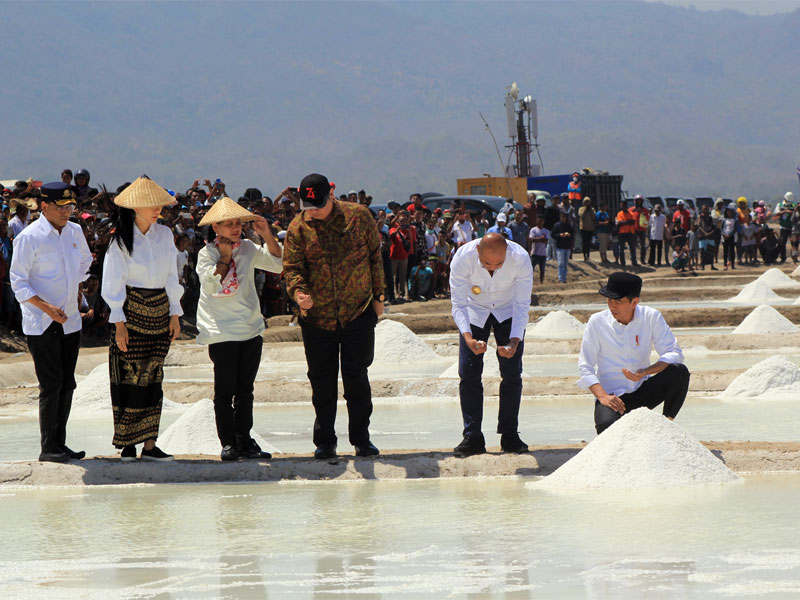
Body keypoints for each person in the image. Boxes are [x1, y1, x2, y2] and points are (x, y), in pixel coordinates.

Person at [283, 173, 384, 460]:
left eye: (319, 204)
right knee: (322, 382)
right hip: (317, 317)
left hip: (358, 312)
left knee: (357, 380)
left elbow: (375, 257)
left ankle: (362, 439)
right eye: (308, 205)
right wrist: (299, 294)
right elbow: (291, 268)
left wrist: (379, 297)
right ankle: (325, 441)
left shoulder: (359, 217)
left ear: (332, 192)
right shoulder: (298, 227)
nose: (313, 210)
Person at [101, 176, 184, 462]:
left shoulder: (165, 234)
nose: (156, 208)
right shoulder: (120, 239)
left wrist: (175, 313)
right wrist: (119, 324)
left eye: (158, 203)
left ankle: (150, 445)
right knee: (128, 377)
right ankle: (128, 445)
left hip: (160, 313)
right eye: (150, 204)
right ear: (135, 207)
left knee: (153, 378)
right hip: (131, 313)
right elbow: (112, 283)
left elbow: (172, 275)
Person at [195, 197, 283, 461]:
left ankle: (245, 440)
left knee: (246, 390)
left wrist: (267, 235)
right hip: (221, 331)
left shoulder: (247, 247)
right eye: (228, 224)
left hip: (249, 328)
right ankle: (228, 443)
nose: (235, 228)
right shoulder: (206, 254)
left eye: (238, 223)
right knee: (224, 391)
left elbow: (277, 264)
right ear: (216, 228)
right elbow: (211, 286)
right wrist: (224, 256)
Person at [9, 182, 92, 462]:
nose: (66, 211)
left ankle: (60, 442)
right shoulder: (30, 237)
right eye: (60, 207)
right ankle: (48, 447)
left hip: (69, 319)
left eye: (70, 206)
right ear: (44, 206)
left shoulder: (75, 231)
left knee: (68, 383)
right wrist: (45, 306)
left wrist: (74, 289)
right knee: (51, 383)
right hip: (42, 321)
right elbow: (18, 281)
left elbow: (85, 261)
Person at [448, 233, 533, 457]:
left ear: (507, 253)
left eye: (499, 264)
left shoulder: (520, 258)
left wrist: (515, 341)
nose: (493, 268)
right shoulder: (462, 258)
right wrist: (467, 338)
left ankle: (510, 435)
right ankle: (472, 436)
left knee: (512, 373)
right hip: (474, 312)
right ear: (478, 251)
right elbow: (458, 304)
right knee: (469, 374)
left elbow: (523, 304)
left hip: (508, 312)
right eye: (487, 264)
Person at [577, 272, 690, 435]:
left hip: (642, 390)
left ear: (634, 302)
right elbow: (585, 366)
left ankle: (666, 427)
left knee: (679, 372)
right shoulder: (596, 322)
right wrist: (602, 396)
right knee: (606, 428)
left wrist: (646, 371)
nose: (612, 306)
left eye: (618, 301)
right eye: (609, 300)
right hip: (612, 397)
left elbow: (673, 352)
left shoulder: (651, 317)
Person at [551, 212, 574, 283]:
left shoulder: (569, 226)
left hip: (567, 246)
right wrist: (559, 235)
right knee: (560, 263)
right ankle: (561, 278)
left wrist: (569, 235)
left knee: (565, 263)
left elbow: (573, 235)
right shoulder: (557, 225)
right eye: (561, 217)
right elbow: (553, 235)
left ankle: (564, 278)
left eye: (564, 217)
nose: (562, 218)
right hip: (560, 246)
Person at [615, 199, 638, 266]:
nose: (621, 207)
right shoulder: (619, 214)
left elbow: (633, 222)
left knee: (632, 248)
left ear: (625, 205)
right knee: (621, 248)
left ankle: (634, 262)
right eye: (621, 205)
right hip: (622, 233)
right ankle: (623, 263)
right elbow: (619, 222)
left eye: (622, 205)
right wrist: (628, 221)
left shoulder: (631, 213)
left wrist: (624, 222)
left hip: (630, 232)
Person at [528, 214, 549, 284]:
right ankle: (530, 282)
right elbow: (531, 239)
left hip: (543, 253)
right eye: (539, 221)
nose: (540, 222)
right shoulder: (533, 230)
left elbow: (546, 240)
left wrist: (537, 239)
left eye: (541, 221)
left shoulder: (546, 230)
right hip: (534, 252)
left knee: (542, 270)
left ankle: (541, 282)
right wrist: (541, 238)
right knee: (531, 269)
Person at [696, 205, 718, 270]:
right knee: (702, 251)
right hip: (702, 236)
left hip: (710, 236)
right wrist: (705, 233)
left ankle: (711, 265)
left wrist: (709, 233)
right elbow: (699, 226)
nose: (705, 210)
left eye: (706, 209)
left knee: (711, 251)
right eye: (704, 209)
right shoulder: (700, 217)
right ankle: (702, 265)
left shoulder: (710, 218)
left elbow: (714, 227)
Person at [632, 195, 649, 264]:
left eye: (640, 201)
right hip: (634, 230)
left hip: (642, 230)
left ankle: (642, 259)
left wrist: (641, 212)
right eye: (637, 201)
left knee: (643, 245)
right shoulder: (631, 210)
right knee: (633, 245)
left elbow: (647, 219)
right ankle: (633, 260)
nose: (638, 202)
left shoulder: (645, 210)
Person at [577, 196, 596, 261]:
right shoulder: (581, 209)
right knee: (584, 242)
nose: (587, 203)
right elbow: (581, 216)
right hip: (583, 228)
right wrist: (585, 209)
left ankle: (588, 255)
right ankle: (584, 255)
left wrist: (590, 210)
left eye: (588, 202)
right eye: (586, 202)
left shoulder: (592, 209)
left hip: (590, 228)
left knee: (588, 242)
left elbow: (594, 217)